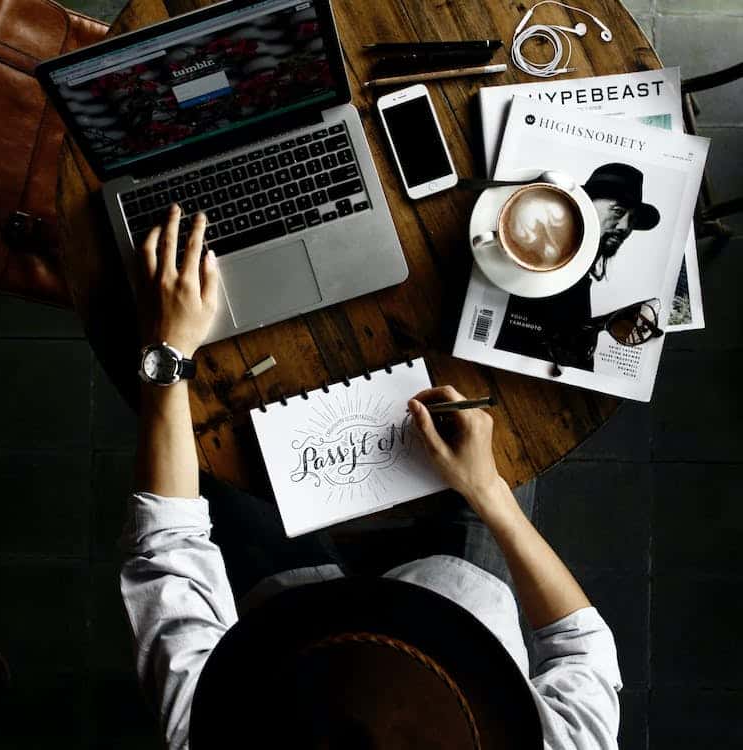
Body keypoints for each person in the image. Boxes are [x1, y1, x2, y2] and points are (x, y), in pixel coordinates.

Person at [121, 204, 622, 749]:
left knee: (219, 449)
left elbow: (167, 546)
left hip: (286, 605)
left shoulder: (209, 729)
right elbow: (580, 645)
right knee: (499, 399)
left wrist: (167, 353)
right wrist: (487, 491)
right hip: (463, 591)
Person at [494, 162, 661, 372]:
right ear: (586, 205)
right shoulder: (547, 267)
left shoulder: (578, 278)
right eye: (618, 211)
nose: (625, 226)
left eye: (633, 218)